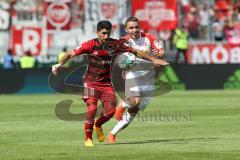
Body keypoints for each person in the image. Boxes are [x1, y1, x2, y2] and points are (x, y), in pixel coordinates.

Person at [52, 20, 168, 147]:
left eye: (108, 33)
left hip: (106, 83)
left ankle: (98, 124)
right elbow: (70, 54)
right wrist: (60, 64)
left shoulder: (115, 44)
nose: (106, 36)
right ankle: (88, 139)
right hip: (90, 82)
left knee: (110, 111)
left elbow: (135, 51)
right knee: (92, 108)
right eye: (103, 33)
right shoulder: (90, 44)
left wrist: (153, 59)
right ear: (97, 33)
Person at [106, 17, 166, 144]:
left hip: (148, 77)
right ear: (126, 29)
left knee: (134, 111)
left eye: (136, 27)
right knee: (135, 100)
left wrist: (158, 55)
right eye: (131, 28)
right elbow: (136, 53)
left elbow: (161, 51)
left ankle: (112, 134)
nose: (134, 30)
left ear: (140, 27)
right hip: (131, 74)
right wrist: (152, 59)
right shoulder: (123, 41)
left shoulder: (148, 37)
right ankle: (122, 104)